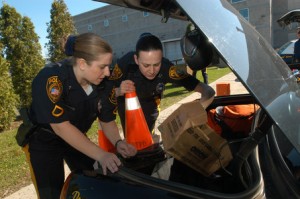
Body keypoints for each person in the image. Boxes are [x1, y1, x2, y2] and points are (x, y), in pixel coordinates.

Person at [24, 33, 136, 199]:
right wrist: (101, 154)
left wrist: (118, 142)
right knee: (51, 193)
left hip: (76, 136)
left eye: (108, 66)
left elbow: (106, 118)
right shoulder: (50, 79)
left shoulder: (104, 82)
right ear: (82, 63)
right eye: (102, 66)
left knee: (91, 181)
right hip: (45, 141)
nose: (107, 72)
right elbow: (60, 127)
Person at [109, 33, 215, 136]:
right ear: (136, 59)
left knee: (147, 140)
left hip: (151, 105)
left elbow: (208, 91)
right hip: (127, 108)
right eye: (146, 65)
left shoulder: (167, 69)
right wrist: (118, 90)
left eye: (156, 64)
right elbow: (104, 93)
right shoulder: (124, 64)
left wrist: (195, 111)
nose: (151, 70)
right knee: (131, 139)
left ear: (161, 58)